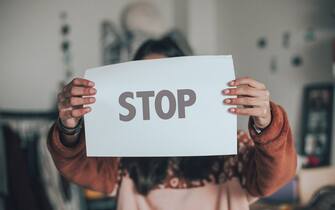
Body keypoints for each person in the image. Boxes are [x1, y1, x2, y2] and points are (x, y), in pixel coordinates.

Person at [48, 37, 297, 210]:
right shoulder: (123, 154)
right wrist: (70, 125)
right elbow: (76, 167)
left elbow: (277, 177)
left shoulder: (231, 145)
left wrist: (267, 121)